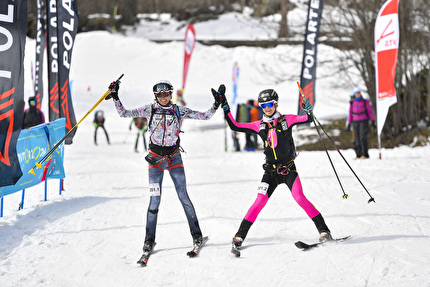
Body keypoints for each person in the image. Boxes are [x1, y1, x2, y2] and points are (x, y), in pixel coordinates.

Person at [211, 86, 333, 252]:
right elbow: (234, 125)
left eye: (270, 104)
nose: (267, 108)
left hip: (289, 169)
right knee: (258, 202)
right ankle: (239, 236)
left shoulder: (287, 120)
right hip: (271, 172)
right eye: (263, 106)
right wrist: (225, 106)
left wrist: (308, 110)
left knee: (299, 198)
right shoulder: (258, 125)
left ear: (276, 104)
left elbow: (307, 119)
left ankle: (324, 231)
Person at [106, 79, 220, 258]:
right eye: (160, 94)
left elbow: (205, 116)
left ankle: (196, 236)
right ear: (155, 96)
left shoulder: (178, 110)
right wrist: (115, 96)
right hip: (155, 161)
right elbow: (124, 113)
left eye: (166, 94)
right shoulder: (149, 109)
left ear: (170, 94)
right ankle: (149, 240)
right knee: (154, 201)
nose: (163, 97)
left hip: (174, 158)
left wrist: (216, 104)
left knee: (184, 197)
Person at [347, 86, 375, 159]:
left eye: (359, 93)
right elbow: (350, 113)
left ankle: (364, 154)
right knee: (356, 138)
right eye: (356, 93)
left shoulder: (365, 102)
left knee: (363, 138)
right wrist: (349, 124)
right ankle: (358, 154)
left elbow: (369, 111)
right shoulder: (352, 103)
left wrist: (372, 120)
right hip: (355, 121)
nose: (358, 94)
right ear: (354, 94)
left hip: (364, 121)